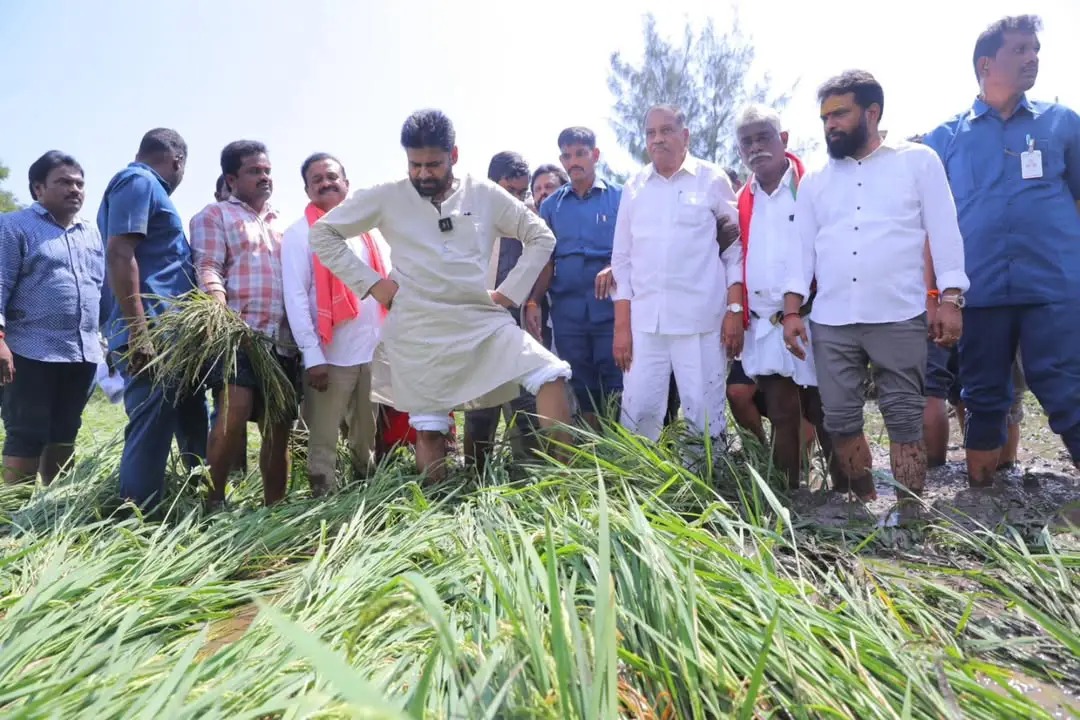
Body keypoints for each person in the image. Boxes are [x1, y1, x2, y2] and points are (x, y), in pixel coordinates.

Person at [309, 109, 573, 481]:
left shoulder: (483, 193)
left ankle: (564, 484)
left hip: (480, 319)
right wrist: (374, 285)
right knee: (429, 427)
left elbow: (541, 236)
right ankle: (438, 512)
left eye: (433, 164)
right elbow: (322, 234)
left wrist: (510, 293)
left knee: (550, 376)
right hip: (417, 327)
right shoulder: (387, 196)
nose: (422, 173)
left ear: (454, 155)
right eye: (414, 164)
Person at [782, 70, 969, 500]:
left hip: (898, 314)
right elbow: (800, 253)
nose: (830, 124)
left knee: (905, 418)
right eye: (825, 116)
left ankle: (909, 511)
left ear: (872, 112)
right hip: (831, 319)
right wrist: (791, 311)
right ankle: (863, 507)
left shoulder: (918, 161)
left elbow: (944, 233)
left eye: (840, 114)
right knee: (841, 420)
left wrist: (951, 299)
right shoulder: (814, 183)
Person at [922, 14, 1080, 484]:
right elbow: (933, 226)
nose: (1032, 58)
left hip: (1053, 286)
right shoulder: (945, 139)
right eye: (1020, 50)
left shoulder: (1063, 123)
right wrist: (935, 297)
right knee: (982, 394)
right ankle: (981, 504)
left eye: (1035, 50)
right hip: (981, 291)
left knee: (1065, 388)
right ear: (986, 63)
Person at [611, 104, 744, 446]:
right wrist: (622, 327)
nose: (658, 139)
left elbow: (733, 251)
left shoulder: (712, 179)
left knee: (703, 411)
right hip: (645, 324)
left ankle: (707, 485)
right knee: (639, 409)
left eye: (666, 130)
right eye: (651, 133)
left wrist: (734, 310)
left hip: (700, 320)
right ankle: (640, 484)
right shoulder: (634, 187)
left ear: (685, 136)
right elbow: (622, 261)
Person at [97, 128, 209, 508]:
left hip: (173, 335)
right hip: (152, 333)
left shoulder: (148, 189)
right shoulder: (139, 181)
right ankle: (137, 520)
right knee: (151, 427)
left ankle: (200, 499)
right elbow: (119, 253)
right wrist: (139, 334)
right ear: (178, 161)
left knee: (194, 417)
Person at [732, 105, 842, 490]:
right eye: (746, 141)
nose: (755, 147)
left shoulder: (812, 186)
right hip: (764, 322)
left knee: (824, 409)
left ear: (783, 140)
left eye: (763, 137)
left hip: (813, 317)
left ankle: (849, 496)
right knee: (780, 410)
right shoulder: (743, 198)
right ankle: (789, 497)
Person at [191, 140, 299, 507]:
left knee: (279, 427)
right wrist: (218, 306)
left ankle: (274, 510)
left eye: (267, 171)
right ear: (232, 178)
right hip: (240, 335)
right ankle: (213, 501)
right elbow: (208, 266)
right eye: (255, 171)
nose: (265, 177)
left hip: (283, 340)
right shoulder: (215, 215)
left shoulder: (286, 222)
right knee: (231, 416)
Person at [282, 152, 390, 495]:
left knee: (365, 437)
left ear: (346, 184)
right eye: (317, 179)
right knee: (323, 439)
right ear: (307, 189)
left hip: (370, 351)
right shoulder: (300, 234)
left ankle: (365, 498)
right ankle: (322, 503)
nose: (326, 183)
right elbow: (296, 298)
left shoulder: (368, 233)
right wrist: (312, 355)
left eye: (332, 177)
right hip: (329, 357)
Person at [0, 151, 104, 485]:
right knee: (26, 433)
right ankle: (10, 523)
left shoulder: (91, 234)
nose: (74, 189)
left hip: (81, 352)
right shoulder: (14, 226)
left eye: (79, 183)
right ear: (38, 188)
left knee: (65, 432)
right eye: (63, 182)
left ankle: (53, 515)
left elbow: (100, 290)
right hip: (29, 350)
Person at [534, 128, 623, 427]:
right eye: (567, 156)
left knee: (616, 380)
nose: (574, 162)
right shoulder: (550, 206)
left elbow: (638, 247)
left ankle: (623, 453)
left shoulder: (620, 197)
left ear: (595, 155)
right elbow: (544, 260)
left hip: (611, 308)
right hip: (568, 311)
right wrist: (533, 301)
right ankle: (594, 455)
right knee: (581, 381)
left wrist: (615, 266)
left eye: (581, 154)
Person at [463, 152, 544, 473]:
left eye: (521, 192)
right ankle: (474, 481)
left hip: (521, 333)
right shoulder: (470, 222)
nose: (516, 199)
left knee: (525, 411)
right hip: (480, 333)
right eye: (509, 191)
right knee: (479, 412)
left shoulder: (532, 223)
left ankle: (527, 481)